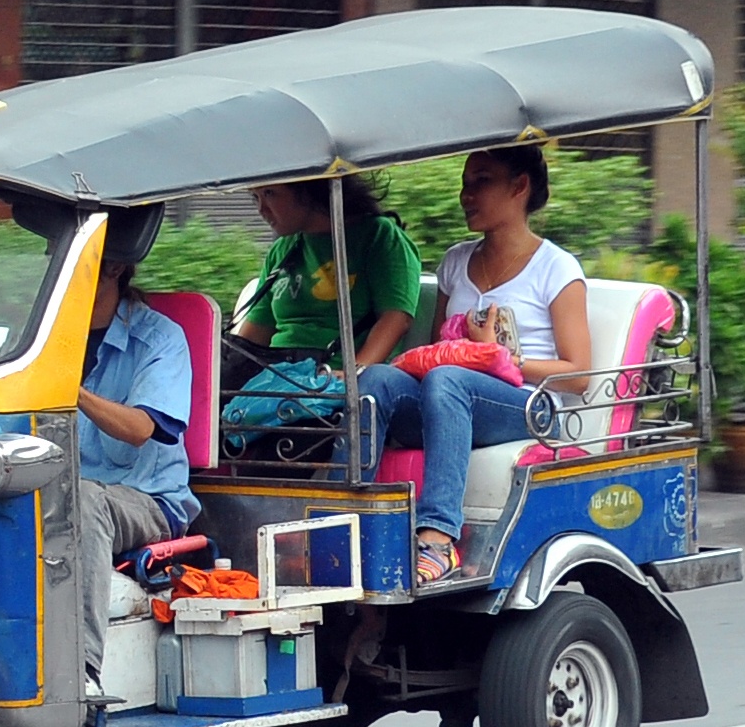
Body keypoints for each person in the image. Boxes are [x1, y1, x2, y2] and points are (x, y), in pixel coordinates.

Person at [339, 145, 592, 583]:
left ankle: (438, 538)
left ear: (519, 187)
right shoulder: (456, 261)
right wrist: (458, 354)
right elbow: (442, 347)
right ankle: (340, 516)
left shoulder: (556, 267)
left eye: (482, 181)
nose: (466, 194)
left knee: (449, 379)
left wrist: (501, 358)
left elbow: (579, 374)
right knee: (376, 379)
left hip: (527, 407)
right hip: (453, 397)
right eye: (465, 183)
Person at [77, 256, 200, 695]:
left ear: (112, 269)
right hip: (60, 489)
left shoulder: (161, 339)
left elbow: (139, 429)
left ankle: (83, 672)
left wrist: (70, 390)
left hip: (147, 500)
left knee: (82, 499)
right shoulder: (46, 335)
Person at [228, 176, 422, 385]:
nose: (261, 209)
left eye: (269, 193)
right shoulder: (282, 250)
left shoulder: (379, 236)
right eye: (255, 197)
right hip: (278, 380)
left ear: (307, 189)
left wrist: (352, 373)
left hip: (335, 378)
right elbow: (253, 336)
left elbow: (396, 318)